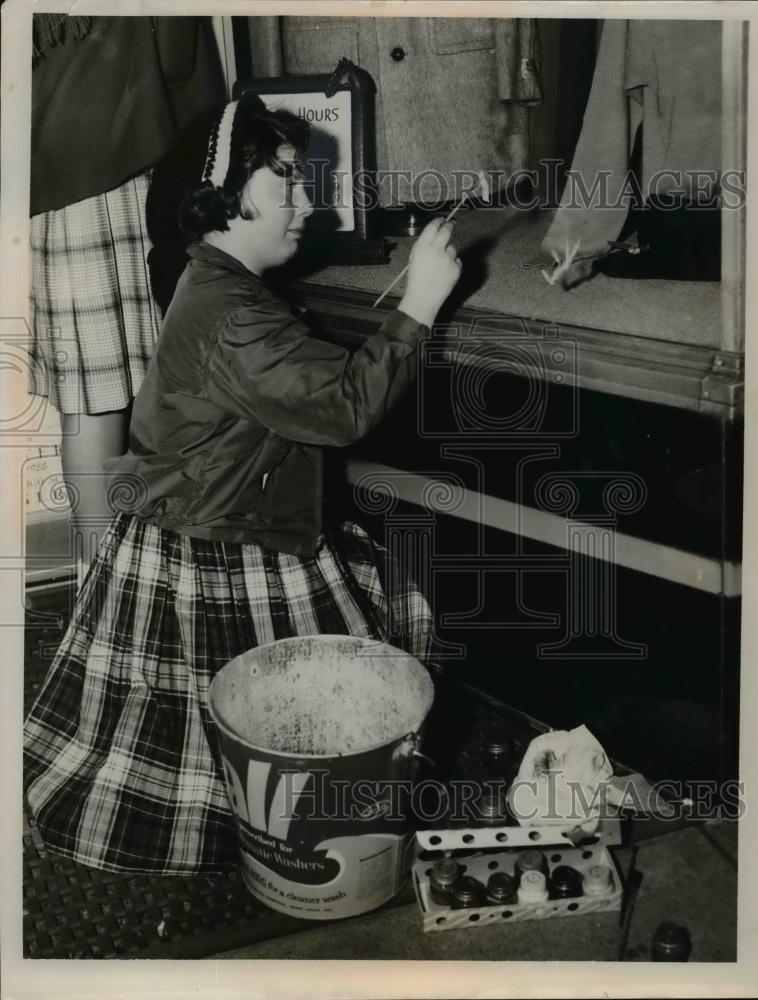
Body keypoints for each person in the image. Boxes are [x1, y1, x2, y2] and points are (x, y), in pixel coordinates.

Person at [22, 94, 461, 874]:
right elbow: (340, 409)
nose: (304, 200)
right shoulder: (232, 313)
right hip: (221, 540)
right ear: (221, 192)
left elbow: (306, 385)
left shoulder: (220, 287)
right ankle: (261, 830)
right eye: (285, 181)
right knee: (231, 707)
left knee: (232, 702)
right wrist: (420, 303)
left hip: (211, 519)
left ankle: (277, 809)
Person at [28, 15, 225, 581]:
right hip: (124, 173)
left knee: (90, 403)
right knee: (155, 394)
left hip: (47, 182)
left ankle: (103, 591)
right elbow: (183, 61)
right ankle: (130, 596)